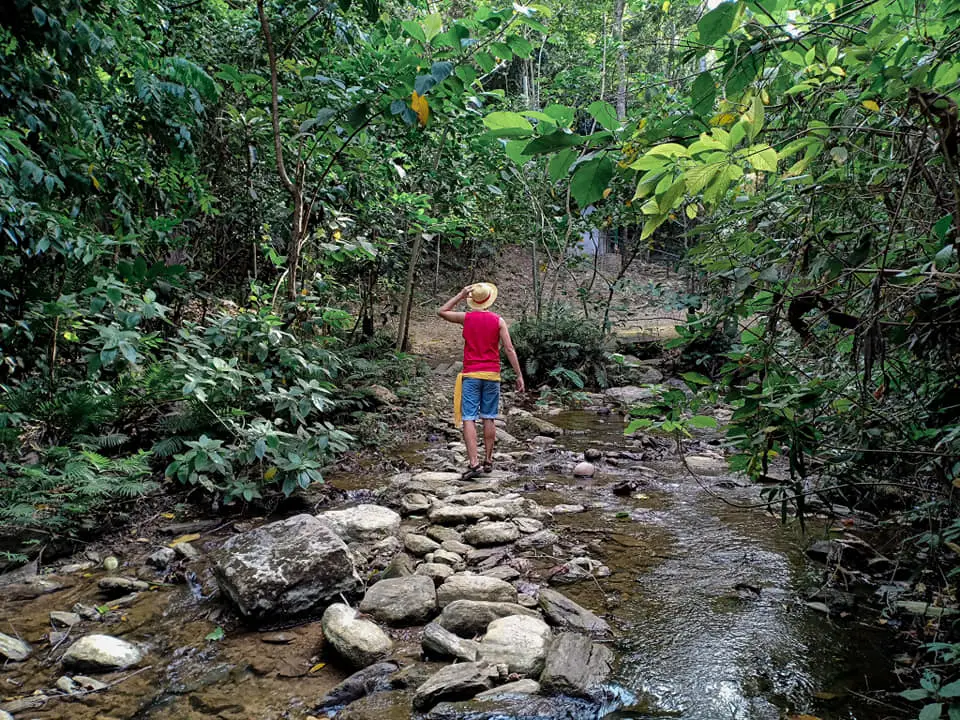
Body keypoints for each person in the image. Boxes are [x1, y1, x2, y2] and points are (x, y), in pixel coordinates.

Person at [437, 282, 525, 479]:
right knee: (489, 417)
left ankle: (474, 462)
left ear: (472, 301)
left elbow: (441, 311)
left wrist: (460, 295)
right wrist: (519, 375)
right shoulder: (498, 321)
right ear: (489, 300)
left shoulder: (466, 318)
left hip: (471, 375)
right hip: (492, 376)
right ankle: (488, 459)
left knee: (469, 417)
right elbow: (509, 349)